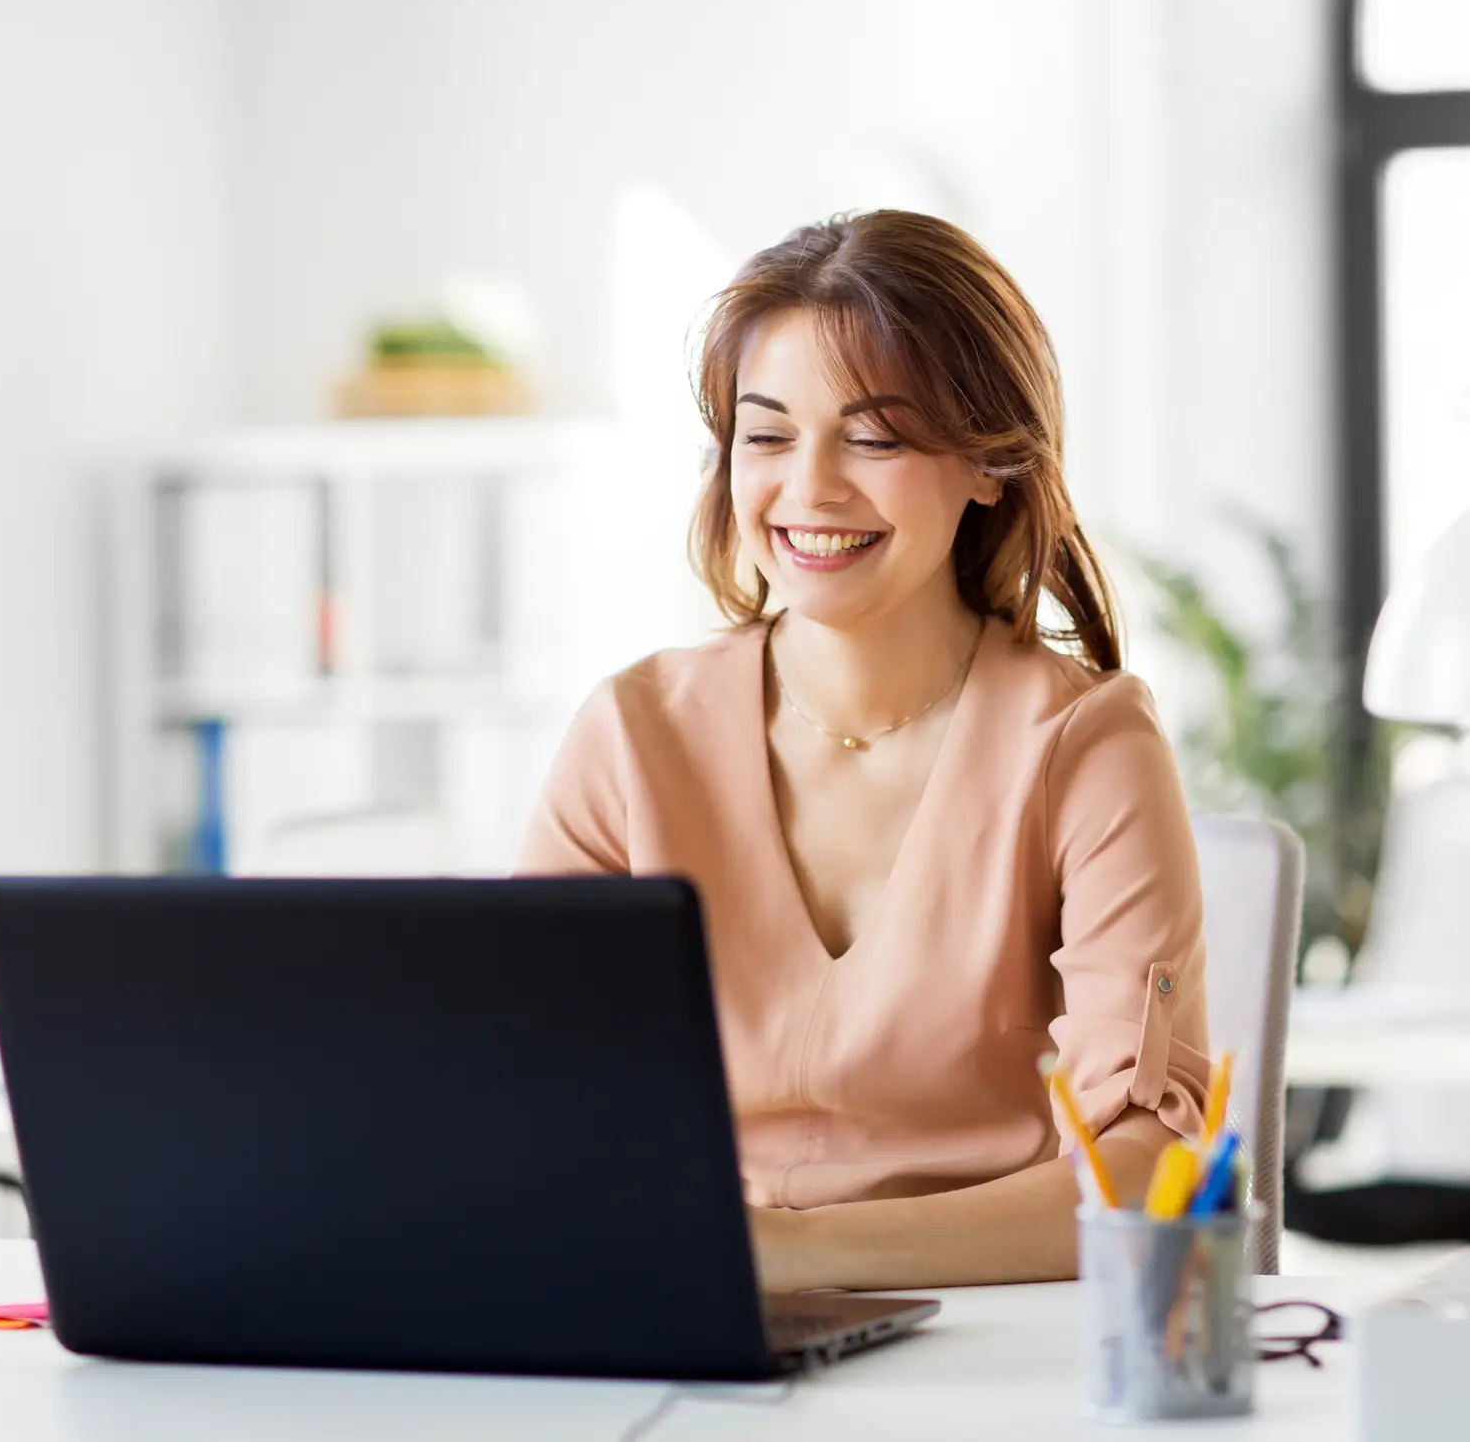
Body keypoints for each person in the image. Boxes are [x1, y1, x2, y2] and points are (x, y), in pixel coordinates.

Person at [517, 210, 1211, 1291]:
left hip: (985, 1336)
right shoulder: (632, 734)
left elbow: (1146, 1164)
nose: (811, 489)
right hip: (681, 1311)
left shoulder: (1087, 744)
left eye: (877, 436)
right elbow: (522, 1099)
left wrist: (790, 1257)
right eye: (768, 435)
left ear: (990, 461)